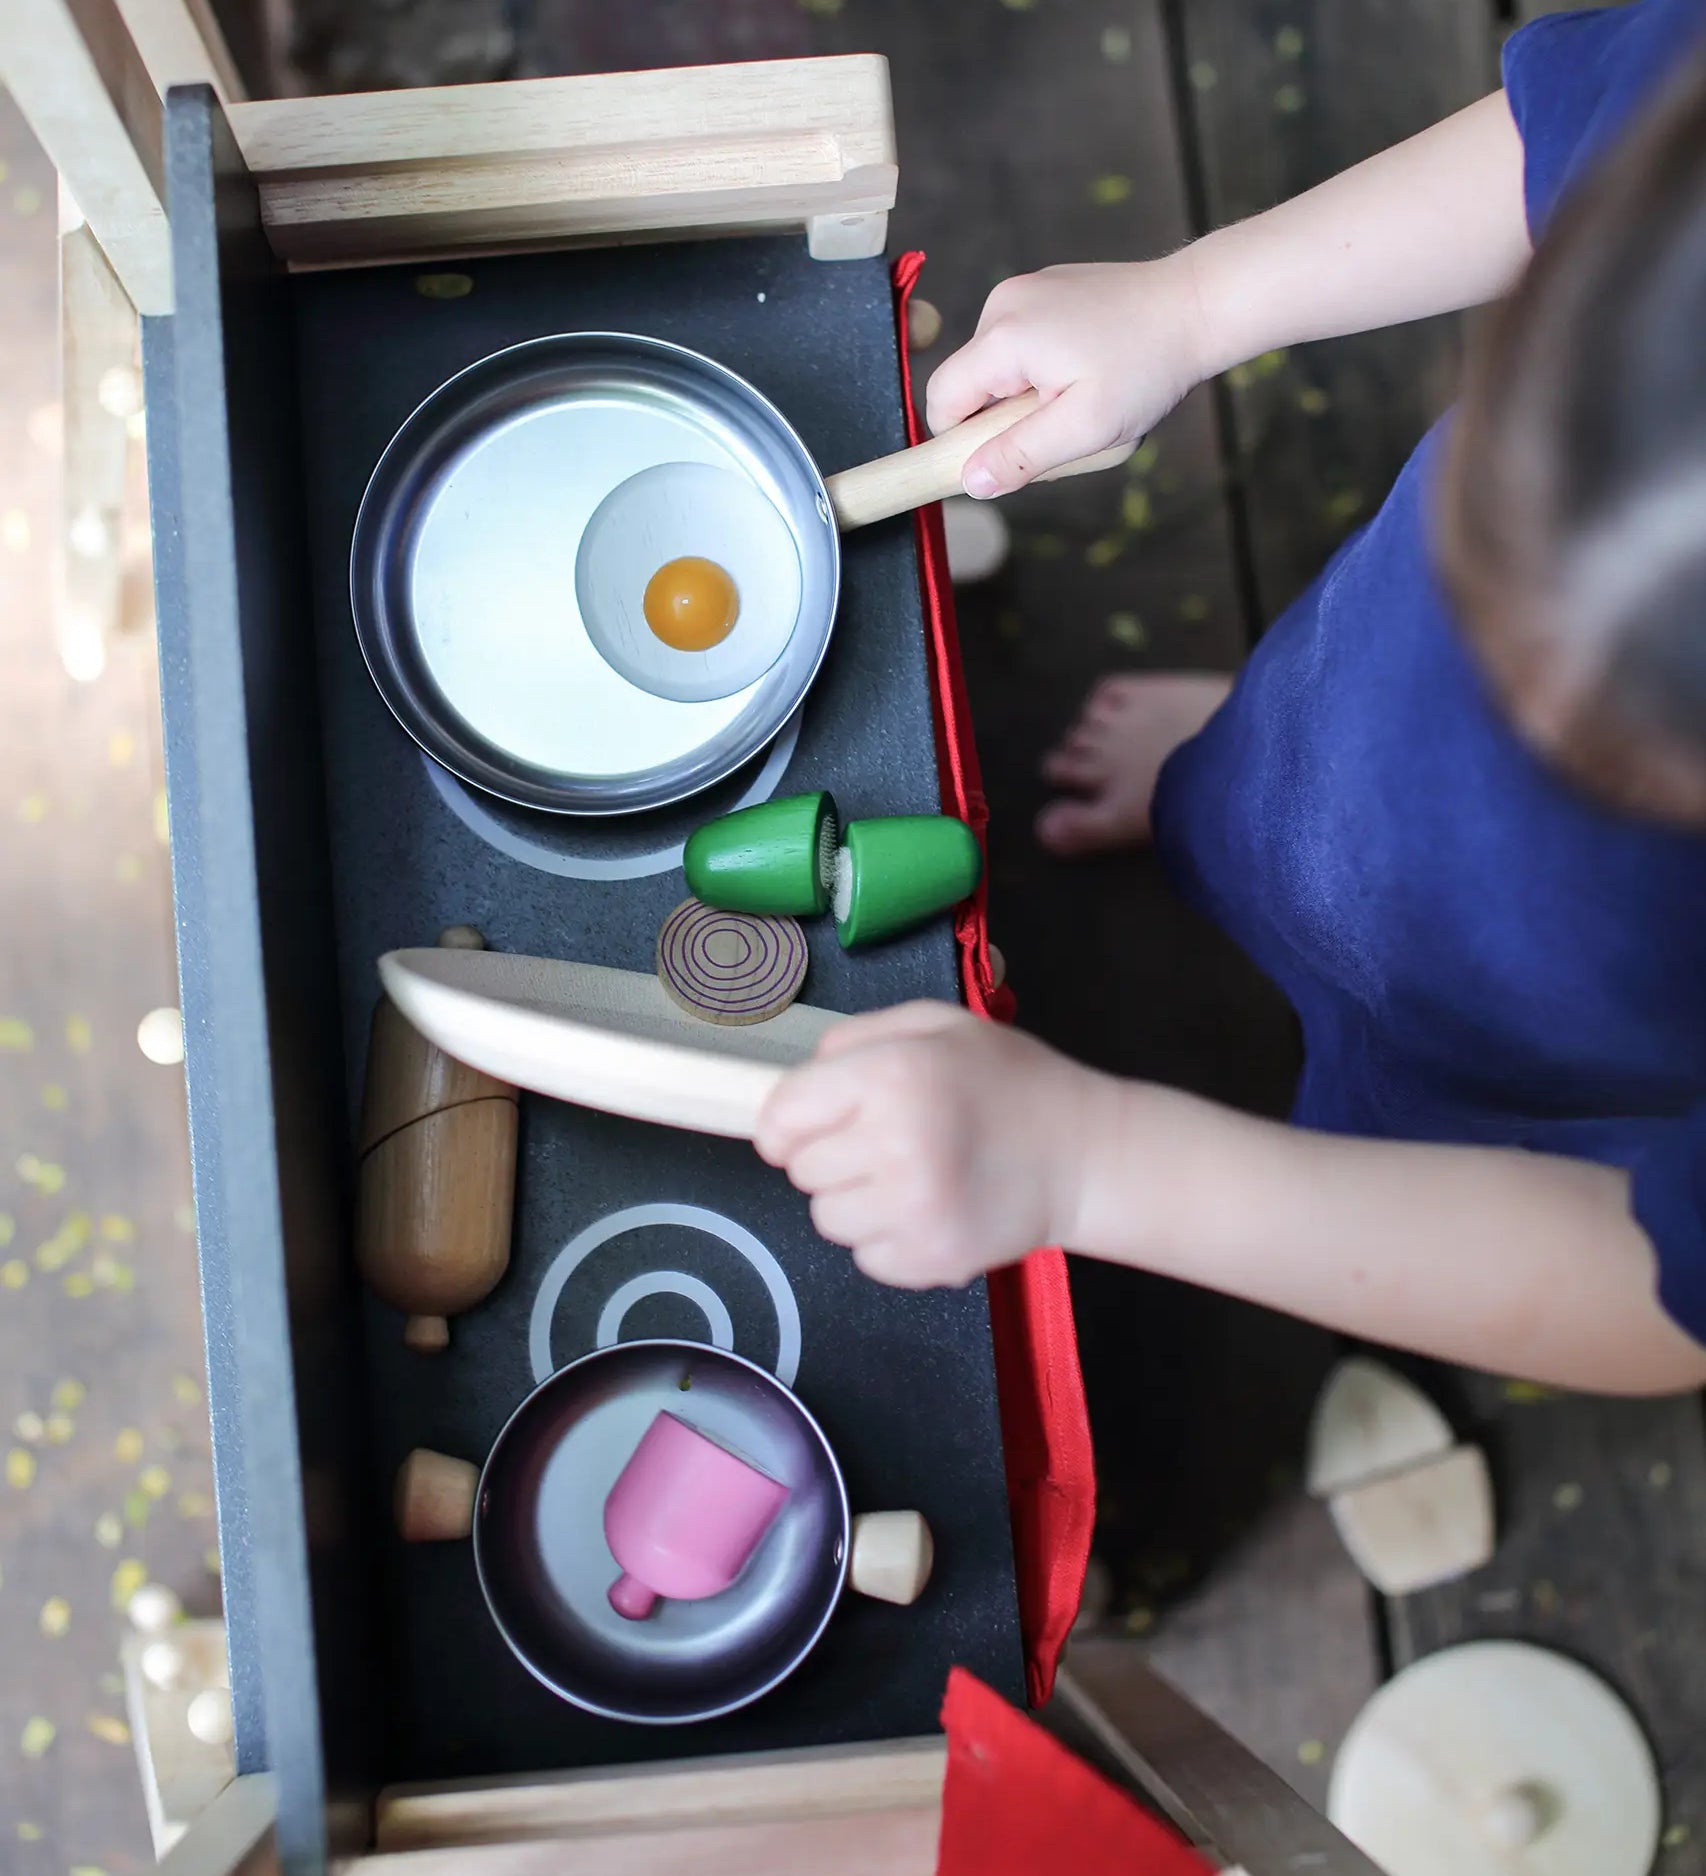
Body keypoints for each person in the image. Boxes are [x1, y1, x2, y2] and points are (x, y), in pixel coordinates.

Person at [755, 0, 1706, 1395]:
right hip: (1371, 703)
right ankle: (1244, 783)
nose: (1518, 683)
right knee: (1280, 774)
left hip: (1529, 1064)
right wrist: (1192, 303)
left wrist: (1090, 1164)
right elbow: (1566, 135)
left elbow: (1660, 1295)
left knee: (1384, 1143)